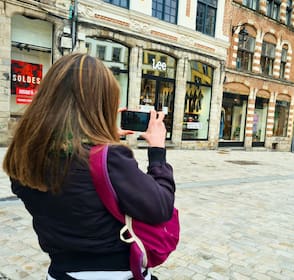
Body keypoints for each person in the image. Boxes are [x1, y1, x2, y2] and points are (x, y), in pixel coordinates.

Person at [2, 53, 176, 280]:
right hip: (114, 273)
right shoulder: (111, 158)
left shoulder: (24, 153)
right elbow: (160, 206)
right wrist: (157, 151)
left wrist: (100, 137)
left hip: (60, 271)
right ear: (101, 106)